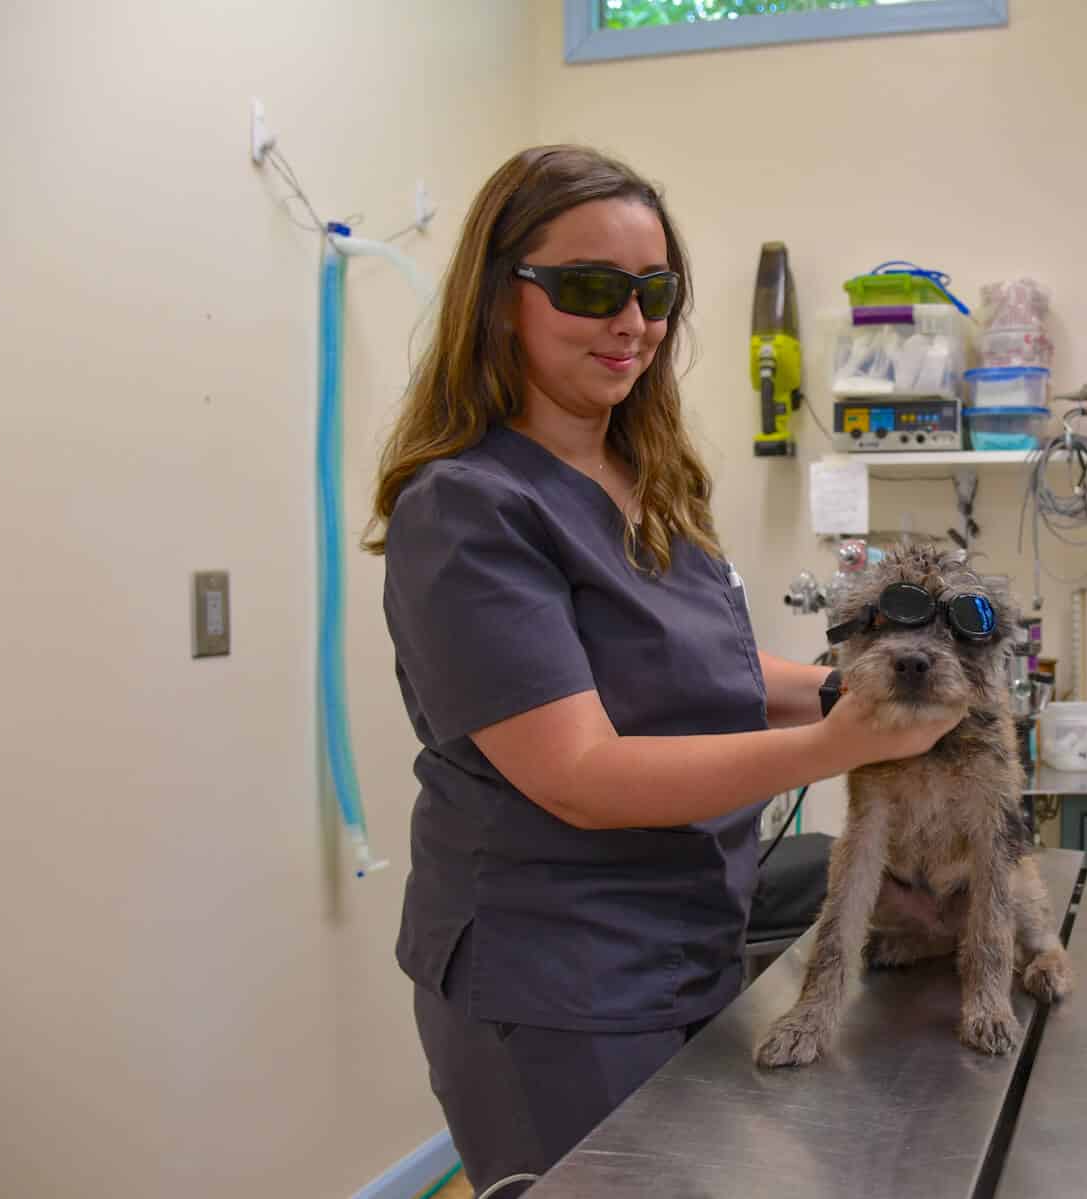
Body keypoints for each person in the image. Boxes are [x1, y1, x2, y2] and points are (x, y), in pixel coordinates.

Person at [364, 145, 962, 1191]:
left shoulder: (648, 473)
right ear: (502, 298)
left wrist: (849, 688)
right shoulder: (467, 510)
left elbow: (709, 661)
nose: (630, 323)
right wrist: (831, 744)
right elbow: (578, 773)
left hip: (686, 933)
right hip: (557, 976)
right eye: (591, 289)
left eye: (654, 292)